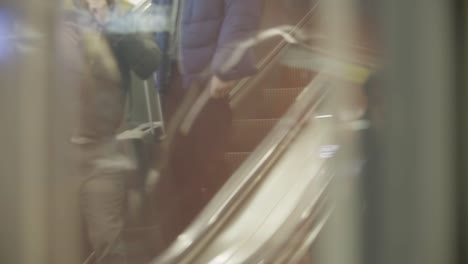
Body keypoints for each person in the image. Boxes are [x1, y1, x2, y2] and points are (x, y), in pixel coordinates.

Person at [58, 0, 161, 263]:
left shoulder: (123, 12)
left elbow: (149, 61)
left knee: (106, 240)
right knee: (56, 242)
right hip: (58, 149)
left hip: (101, 148)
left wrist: (113, 26)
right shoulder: (59, 13)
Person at [153, 0, 263, 242]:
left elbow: (241, 12)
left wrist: (227, 66)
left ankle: (226, 243)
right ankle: (191, 249)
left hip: (206, 79)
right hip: (170, 79)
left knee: (211, 166)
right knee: (179, 174)